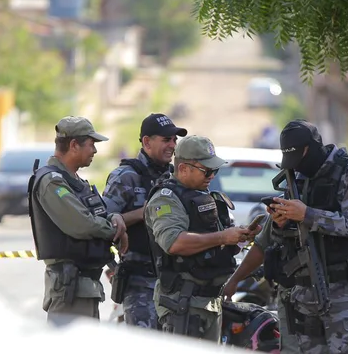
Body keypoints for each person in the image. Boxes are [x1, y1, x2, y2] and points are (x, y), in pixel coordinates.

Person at [260, 120, 348, 354]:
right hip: (306, 291)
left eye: (298, 159)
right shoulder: (298, 177)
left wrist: (308, 214)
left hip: (342, 289)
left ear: (309, 149)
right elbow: (291, 235)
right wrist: (282, 222)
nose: (296, 168)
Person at [224, 209, 348, 354]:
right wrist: (234, 280)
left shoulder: (340, 203)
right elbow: (260, 247)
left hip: (340, 297)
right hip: (294, 301)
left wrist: (322, 226)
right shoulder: (286, 204)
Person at [145, 135, 256, 341]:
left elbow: (219, 244)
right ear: (183, 169)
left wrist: (240, 237)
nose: (212, 176)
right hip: (183, 303)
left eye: (215, 170)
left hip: (209, 301)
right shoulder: (166, 198)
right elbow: (174, 242)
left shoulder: (203, 197)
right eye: (207, 170)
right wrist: (223, 237)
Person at [29, 116, 127, 324]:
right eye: (91, 144)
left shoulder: (74, 182)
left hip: (85, 288)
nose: (95, 150)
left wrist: (114, 217)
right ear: (74, 145)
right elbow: (82, 224)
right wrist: (114, 230)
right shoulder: (51, 182)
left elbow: (96, 213)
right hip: (69, 290)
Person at [102, 113, 188, 329]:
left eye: (174, 140)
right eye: (166, 139)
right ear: (147, 142)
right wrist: (145, 212)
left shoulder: (175, 178)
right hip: (140, 284)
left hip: (174, 284)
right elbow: (102, 224)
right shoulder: (126, 177)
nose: (172, 145)